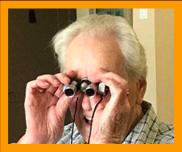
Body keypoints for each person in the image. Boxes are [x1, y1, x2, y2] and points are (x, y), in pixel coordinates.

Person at [17, 14, 174, 144]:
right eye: (76, 86)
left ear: (139, 88)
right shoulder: (60, 138)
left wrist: (107, 141)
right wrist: (35, 141)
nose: (87, 104)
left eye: (102, 87)